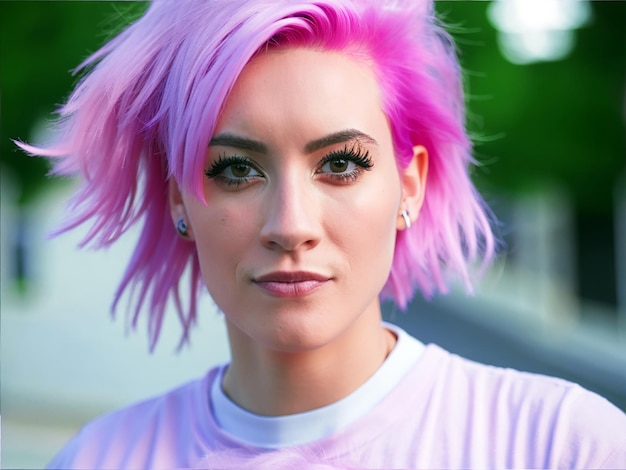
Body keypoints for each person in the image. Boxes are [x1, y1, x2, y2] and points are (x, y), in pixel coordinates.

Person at [18, 0, 626, 468]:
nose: (292, 226)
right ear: (180, 197)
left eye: (340, 164)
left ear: (408, 186)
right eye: (236, 169)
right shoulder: (101, 458)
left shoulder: (563, 444)